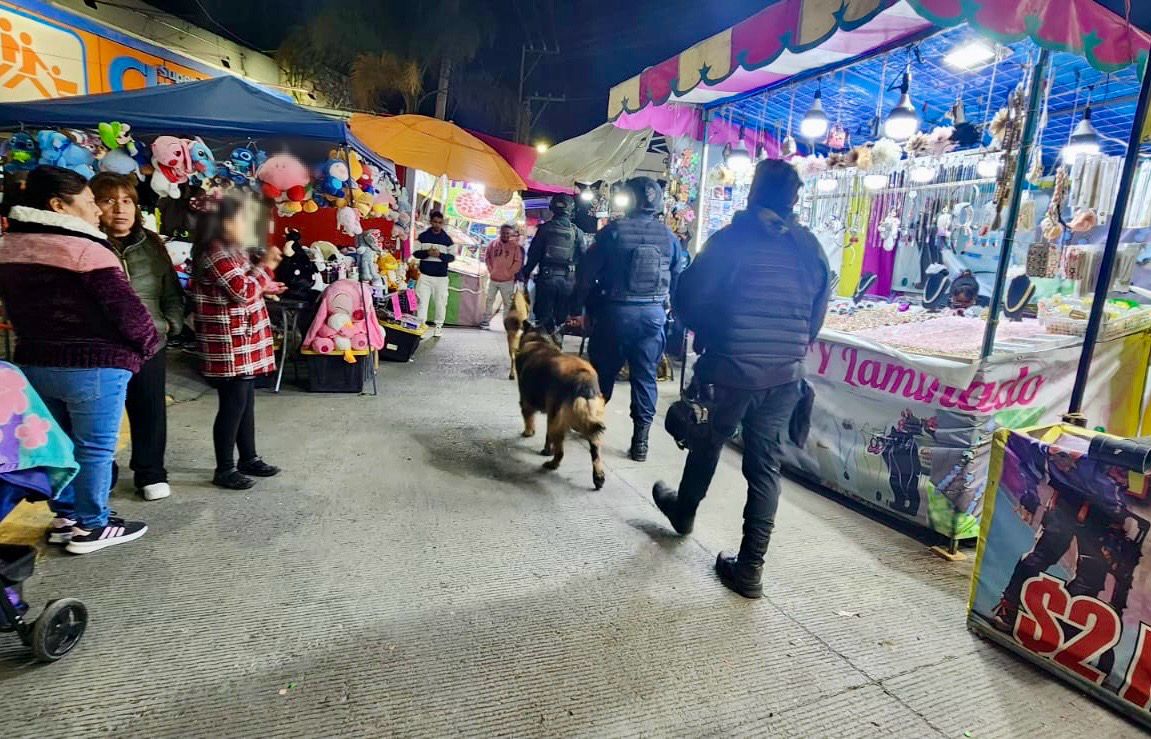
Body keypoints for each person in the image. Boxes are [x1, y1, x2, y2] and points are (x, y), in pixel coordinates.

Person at [651, 159, 830, 599]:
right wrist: (789, 344)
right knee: (764, 466)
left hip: (732, 369)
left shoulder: (731, 240)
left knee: (708, 440)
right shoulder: (810, 247)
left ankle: (684, 512)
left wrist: (714, 333)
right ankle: (750, 568)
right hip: (786, 375)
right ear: (794, 200)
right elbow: (818, 312)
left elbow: (689, 299)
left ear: (752, 193)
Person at [0, 166, 160, 554]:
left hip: (35, 362)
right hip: (95, 364)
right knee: (95, 448)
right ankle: (92, 526)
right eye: (90, 203)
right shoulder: (86, 249)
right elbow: (128, 311)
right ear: (58, 205)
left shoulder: (9, 247)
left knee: (63, 444)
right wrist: (149, 345)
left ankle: (65, 517)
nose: (97, 212)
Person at [90, 172, 184, 502]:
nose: (120, 209)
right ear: (93, 205)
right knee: (102, 414)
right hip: (104, 345)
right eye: (108, 201)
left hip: (150, 341)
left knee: (150, 409)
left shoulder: (153, 244)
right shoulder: (86, 244)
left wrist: (171, 323)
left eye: (127, 201)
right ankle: (105, 475)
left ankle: (150, 472)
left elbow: (171, 290)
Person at [577, 177, 684, 462]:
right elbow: (678, 277)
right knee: (645, 376)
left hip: (614, 313)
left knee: (603, 373)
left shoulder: (613, 232)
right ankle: (641, 443)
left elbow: (586, 275)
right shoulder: (669, 238)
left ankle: (592, 425)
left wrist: (584, 308)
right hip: (652, 317)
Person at [189, 196, 280, 491]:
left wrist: (267, 283)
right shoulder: (215, 252)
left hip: (243, 342)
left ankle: (248, 458)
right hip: (228, 344)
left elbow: (246, 285)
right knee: (233, 405)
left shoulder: (233, 250)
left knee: (246, 403)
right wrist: (265, 268)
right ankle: (224, 468)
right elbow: (241, 291)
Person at [522, 194, 583, 341]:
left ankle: (544, 348)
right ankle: (557, 345)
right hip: (568, 283)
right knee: (561, 319)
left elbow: (533, 255)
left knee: (543, 318)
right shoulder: (577, 232)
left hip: (546, 280)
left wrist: (524, 275)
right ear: (571, 209)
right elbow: (584, 260)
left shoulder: (544, 229)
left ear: (552, 208)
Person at [413, 211, 455, 337]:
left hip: (441, 278)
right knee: (422, 302)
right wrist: (427, 253)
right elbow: (415, 253)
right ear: (430, 222)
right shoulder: (422, 237)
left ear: (442, 223)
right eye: (435, 222)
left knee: (441, 302)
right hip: (425, 275)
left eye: (440, 223)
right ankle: (421, 327)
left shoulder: (447, 240)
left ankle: (438, 326)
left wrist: (440, 255)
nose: (437, 225)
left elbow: (452, 257)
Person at [481, 224, 523, 328]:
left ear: (511, 234)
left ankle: (506, 324)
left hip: (507, 281)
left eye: (508, 233)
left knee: (507, 303)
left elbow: (517, 262)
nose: (505, 235)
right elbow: (487, 258)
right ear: (500, 232)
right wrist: (491, 270)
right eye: (503, 233)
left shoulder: (515, 247)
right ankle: (486, 321)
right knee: (489, 300)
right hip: (493, 279)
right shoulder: (493, 244)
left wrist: (509, 273)